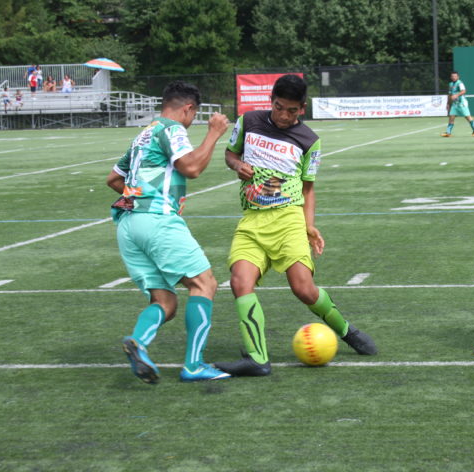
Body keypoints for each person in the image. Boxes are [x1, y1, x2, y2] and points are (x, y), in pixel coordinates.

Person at [214, 74, 377, 377]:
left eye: (292, 110)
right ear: (270, 102)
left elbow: (308, 188)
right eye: (279, 108)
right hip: (251, 221)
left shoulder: (309, 140)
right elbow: (229, 153)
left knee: (303, 288)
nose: (284, 116)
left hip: (288, 218)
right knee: (240, 282)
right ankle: (258, 358)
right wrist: (237, 165)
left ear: (302, 108)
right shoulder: (248, 121)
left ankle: (345, 330)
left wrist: (308, 226)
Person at [105, 81, 232, 383]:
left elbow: (113, 179)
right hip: (157, 221)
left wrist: (142, 194)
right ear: (188, 109)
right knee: (205, 284)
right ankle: (194, 365)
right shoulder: (173, 129)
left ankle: (138, 342)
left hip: (128, 224)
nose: (192, 120)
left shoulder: (143, 135)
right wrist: (213, 132)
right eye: (194, 115)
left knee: (166, 303)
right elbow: (191, 168)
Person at [442, 71, 474, 137]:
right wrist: (448, 103)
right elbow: (450, 94)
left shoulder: (460, 83)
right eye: (453, 76)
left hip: (462, 103)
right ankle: (448, 133)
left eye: (455, 76)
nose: (454, 77)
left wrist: (457, 95)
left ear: (458, 77)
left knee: (467, 117)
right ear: (451, 77)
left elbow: (464, 91)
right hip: (455, 104)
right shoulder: (450, 84)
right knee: (451, 116)